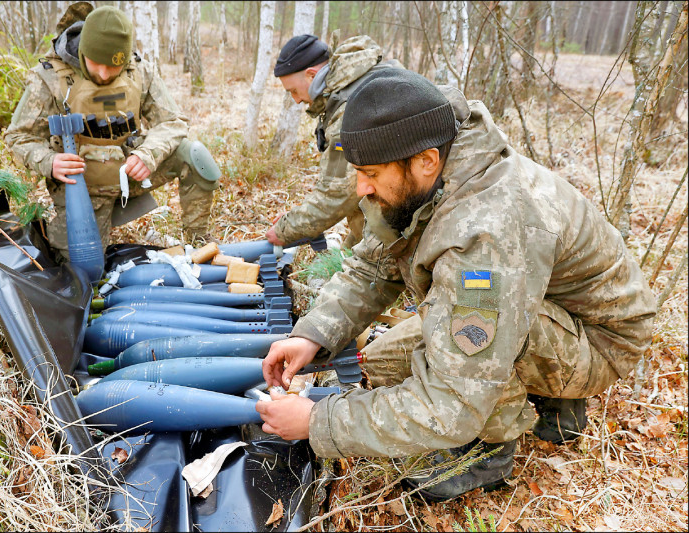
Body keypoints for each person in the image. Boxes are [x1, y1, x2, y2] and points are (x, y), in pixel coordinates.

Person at [256, 69, 657, 502]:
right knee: (385, 362)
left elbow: (453, 403)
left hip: (601, 340)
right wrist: (313, 334)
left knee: (467, 363)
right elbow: (374, 266)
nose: (360, 187)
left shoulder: (486, 233)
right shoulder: (424, 170)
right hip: (547, 304)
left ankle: (489, 453)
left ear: (426, 161)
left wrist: (319, 421)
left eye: (369, 172)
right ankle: (549, 399)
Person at [5, 3, 219, 261]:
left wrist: (147, 154)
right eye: (96, 63)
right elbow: (18, 136)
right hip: (82, 187)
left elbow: (173, 122)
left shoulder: (139, 70)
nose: (104, 74)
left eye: (112, 66)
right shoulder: (50, 78)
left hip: (129, 172)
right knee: (84, 269)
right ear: (83, 50)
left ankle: (199, 243)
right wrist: (48, 161)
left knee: (194, 155)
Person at [265, 33, 401, 249]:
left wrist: (286, 229)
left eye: (293, 91)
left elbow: (337, 193)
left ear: (311, 75)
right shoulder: (355, 82)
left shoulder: (352, 108)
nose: (296, 99)